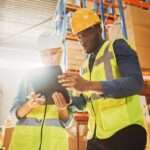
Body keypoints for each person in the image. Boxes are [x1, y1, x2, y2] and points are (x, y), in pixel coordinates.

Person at [52, 8, 147, 150]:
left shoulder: (117, 47)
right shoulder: (84, 65)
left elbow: (135, 83)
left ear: (98, 28)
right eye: (78, 36)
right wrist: (66, 102)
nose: (82, 40)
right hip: (96, 136)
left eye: (85, 34)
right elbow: (87, 100)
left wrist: (88, 85)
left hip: (126, 131)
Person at [9, 32, 69, 150]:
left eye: (53, 53)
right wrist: (29, 105)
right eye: (44, 55)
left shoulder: (68, 81)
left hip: (54, 145)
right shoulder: (28, 78)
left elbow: (69, 123)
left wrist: (63, 109)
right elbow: (13, 116)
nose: (49, 59)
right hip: (24, 145)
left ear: (61, 53)